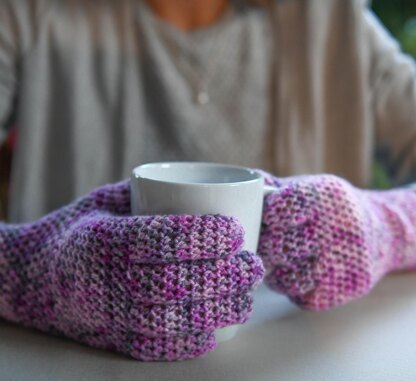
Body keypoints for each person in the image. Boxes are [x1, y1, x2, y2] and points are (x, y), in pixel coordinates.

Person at [0, 0, 416, 361]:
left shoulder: (332, 21)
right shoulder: (28, 15)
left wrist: (384, 226)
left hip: (295, 380)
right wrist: (38, 274)